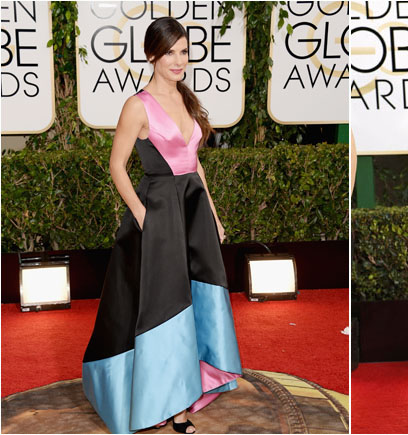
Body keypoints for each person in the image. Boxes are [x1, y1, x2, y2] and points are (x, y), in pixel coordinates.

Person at [82, 17, 242, 434]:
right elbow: (117, 166)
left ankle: (185, 395)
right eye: (170, 52)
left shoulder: (186, 99)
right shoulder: (137, 106)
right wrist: (142, 215)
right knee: (167, 310)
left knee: (196, 301)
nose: (178, 60)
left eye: (184, 51)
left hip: (193, 214)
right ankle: (171, 406)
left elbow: (195, 165)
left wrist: (214, 216)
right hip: (159, 215)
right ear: (152, 55)